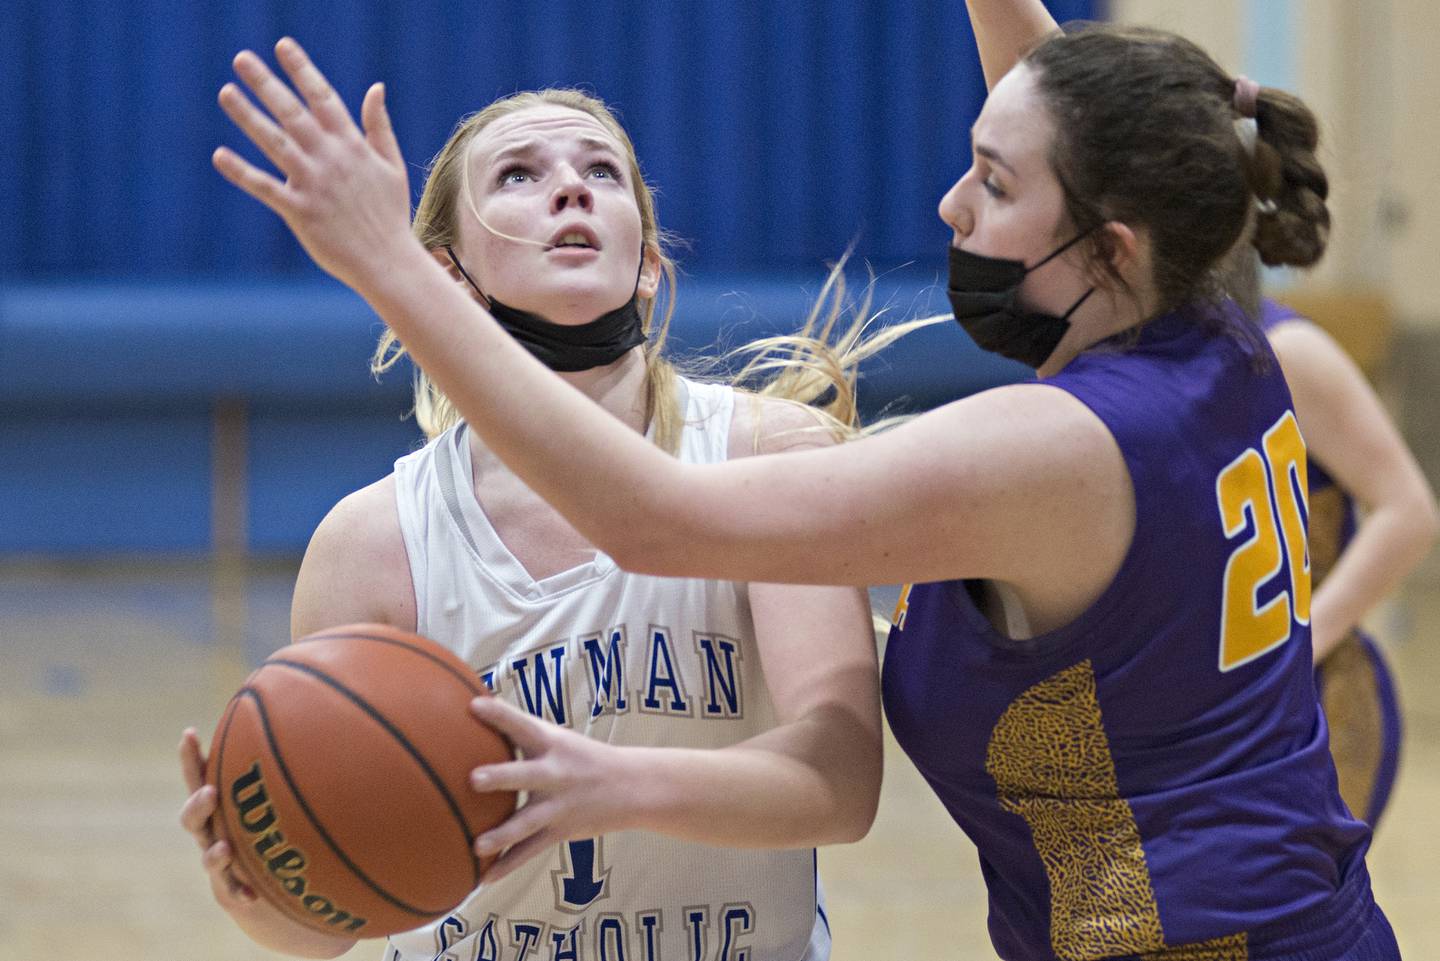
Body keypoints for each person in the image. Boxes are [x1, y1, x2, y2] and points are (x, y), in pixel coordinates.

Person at [209, 4, 1403, 958]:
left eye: (990, 183)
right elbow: (1078, 124)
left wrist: (381, 268)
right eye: (518, 177)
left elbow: (652, 519)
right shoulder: (1217, 308)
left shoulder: (1043, 451)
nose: (952, 203)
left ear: (1108, 246)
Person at [184, 79, 893, 961]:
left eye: (603, 170)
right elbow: (329, 922)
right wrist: (261, 886)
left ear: (647, 262)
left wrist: (611, 784)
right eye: (519, 174)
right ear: (445, 276)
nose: (572, 187)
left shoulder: (771, 456)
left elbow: (841, 783)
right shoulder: (375, 540)